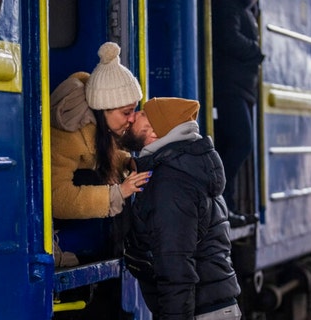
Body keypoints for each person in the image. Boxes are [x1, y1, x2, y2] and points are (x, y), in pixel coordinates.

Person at [122, 97, 242, 320]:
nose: (134, 116)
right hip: (213, 308)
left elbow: (175, 265)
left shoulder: (171, 183)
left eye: (144, 114)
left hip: (200, 312)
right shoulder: (188, 170)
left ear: (156, 133)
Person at [50, 42, 152, 263]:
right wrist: (116, 194)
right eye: (126, 112)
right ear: (104, 109)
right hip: (59, 225)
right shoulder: (67, 132)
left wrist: (127, 163)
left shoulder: (101, 126)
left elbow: (101, 155)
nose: (132, 118)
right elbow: (56, 197)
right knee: (97, 180)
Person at [212, 0, 264, 226]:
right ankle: (219, 200)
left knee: (228, 146)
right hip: (230, 88)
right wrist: (256, 51)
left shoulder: (242, 9)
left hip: (239, 89)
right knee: (241, 143)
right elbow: (227, 38)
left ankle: (227, 206)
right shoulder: (229, 6)